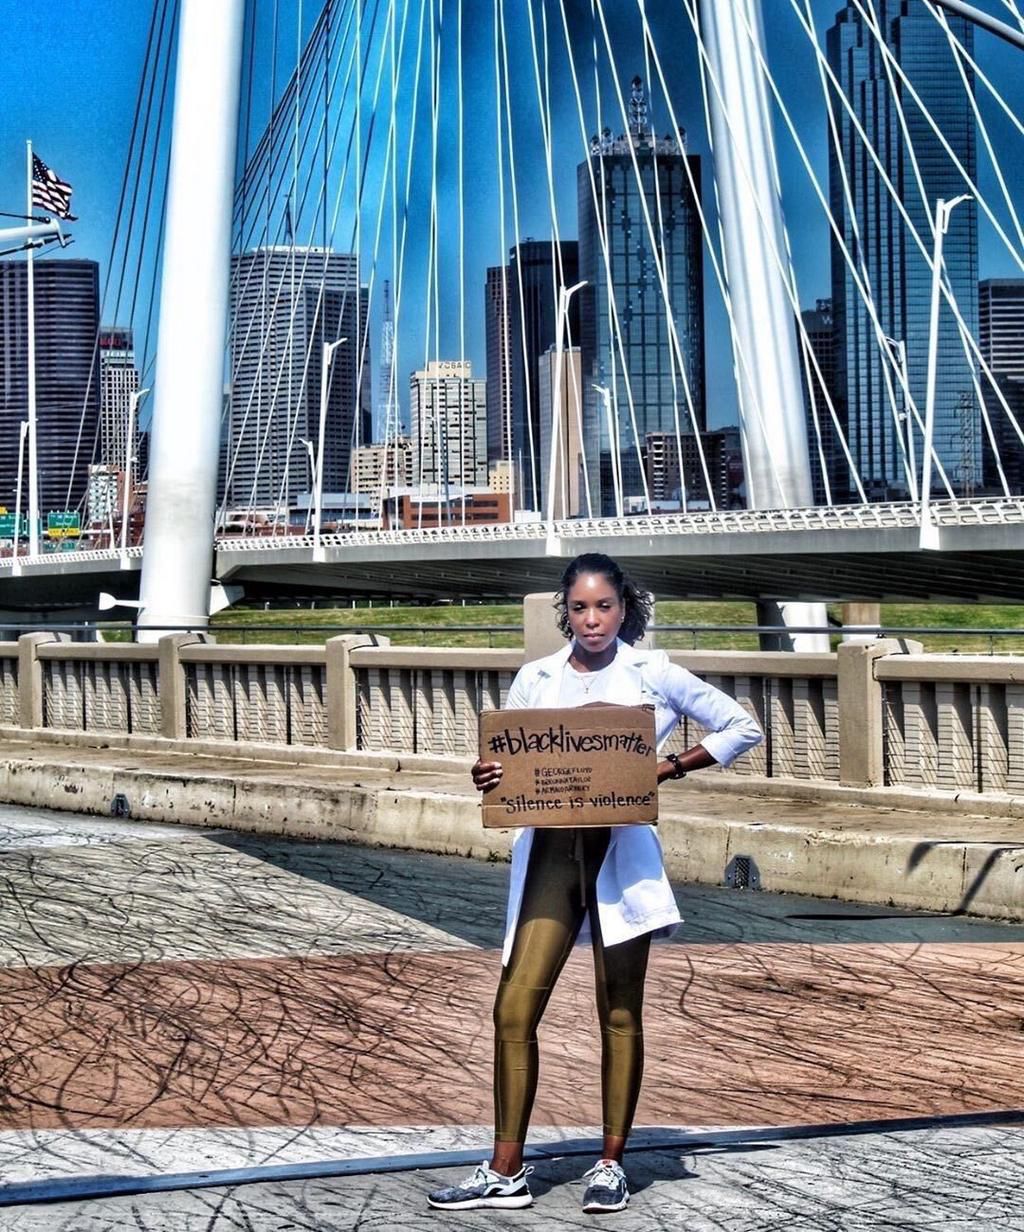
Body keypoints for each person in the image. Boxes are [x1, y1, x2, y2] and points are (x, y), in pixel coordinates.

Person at [427, 553, 762, 1216]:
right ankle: (505, 1169)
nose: (591, 620)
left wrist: (664, 769)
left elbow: (740, 726)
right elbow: (503, 762)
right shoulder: (536, 678)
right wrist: (489, 776)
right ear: (566, 611)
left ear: (623, 607)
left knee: (619, 1010)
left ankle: (610, 1164)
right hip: (551, 852)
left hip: (622, 855)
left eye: (603, 606)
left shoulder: (653, 671)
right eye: (579, 608)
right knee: (514, 1009)